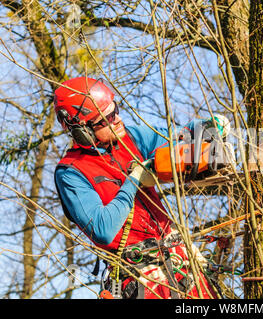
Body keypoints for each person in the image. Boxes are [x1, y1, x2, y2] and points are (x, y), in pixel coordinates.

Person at [53, 77, 224, 299]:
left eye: (116, 110)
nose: (118, 119)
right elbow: (102, 230)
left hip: (180, 260)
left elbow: (175, 137)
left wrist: (204, 126)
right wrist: (134, 179)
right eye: (108, 118)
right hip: (141, 278)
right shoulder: (71, 173)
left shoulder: (132, 137)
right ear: (83, 131)